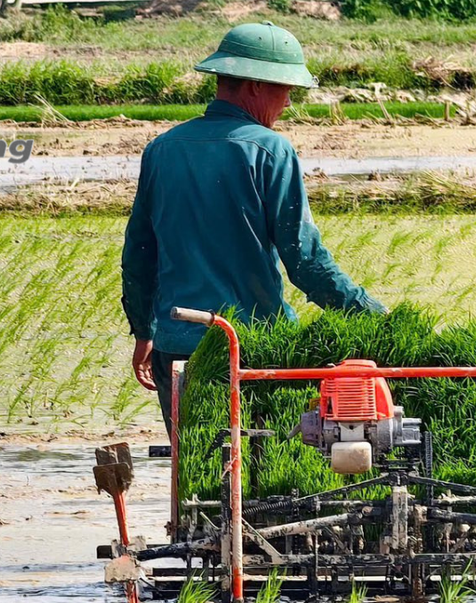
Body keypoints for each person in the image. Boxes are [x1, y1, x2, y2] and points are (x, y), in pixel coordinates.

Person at [121, 21, 386, 436]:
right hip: (253, 348)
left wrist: (144, 331)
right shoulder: (270, 150)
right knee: (267, 465)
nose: (288, 102)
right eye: (285, 90)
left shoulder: (162, 149)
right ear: (255, 85)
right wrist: (370, 314)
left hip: (177, 347)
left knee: (192, 462)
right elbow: (305, 261)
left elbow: (139, 253)